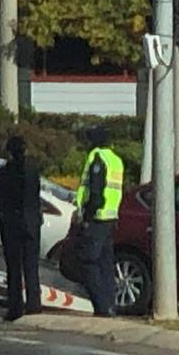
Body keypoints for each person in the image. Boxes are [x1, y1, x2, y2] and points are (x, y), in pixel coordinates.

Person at [75, 125, 124, 317]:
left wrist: (87, 217)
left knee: (88, 260)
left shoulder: (97, 158)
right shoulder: (116, 160)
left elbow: (96, 193)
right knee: (105, 263)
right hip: (111, 218)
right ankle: (110, 304)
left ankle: (101, 305)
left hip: (97, 218)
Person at [0, 135, 44, 321]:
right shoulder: (32, 171)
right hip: (31, 221)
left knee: (14, 267)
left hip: (11, 222)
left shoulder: (2, 172)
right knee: (31, 264)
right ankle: (34, 303)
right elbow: (36, 195)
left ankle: (15, 306)